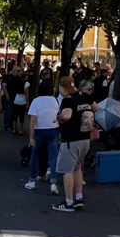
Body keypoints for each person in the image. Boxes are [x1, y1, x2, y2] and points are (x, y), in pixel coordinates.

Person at [54, 76, 95, 212]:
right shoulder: (84, 96)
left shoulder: (67, 100)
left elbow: (66, 116)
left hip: (71, 140)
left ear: (62, 88)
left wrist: (58, 117)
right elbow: (96, 107)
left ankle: (68, 202)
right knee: (77, 168)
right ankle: (79, 198)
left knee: (67, 171)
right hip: (85, 137)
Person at [25, 79, 61, 195]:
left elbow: (33, 120)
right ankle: (53, 183)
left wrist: (31, 136)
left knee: (35, 155)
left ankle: (32, 180)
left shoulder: (36, 101)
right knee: (53, 157)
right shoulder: (56, 100)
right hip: (53, 129)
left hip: (39, 131)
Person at [8, 67, 30, 134]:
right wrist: (27, 103)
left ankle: (14, 129)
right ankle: (21, 129)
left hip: (16, 99)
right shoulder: (26, 83)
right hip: (23, 100)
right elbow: (26, 93)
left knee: (15, 115)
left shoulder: (17, 81)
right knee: (21, 115)